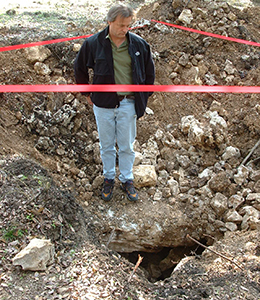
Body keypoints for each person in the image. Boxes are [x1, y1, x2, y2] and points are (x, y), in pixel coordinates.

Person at [74, 4, 155, 202]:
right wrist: (88, 94)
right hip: (103, 104)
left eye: (127, 25)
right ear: (109, 21)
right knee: (107, 145)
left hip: (128, 103)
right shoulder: (93, 44)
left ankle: (127, 179)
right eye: (120, 25)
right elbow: (79, 69)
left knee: (127, 145)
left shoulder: (139, 45)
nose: (124, 29)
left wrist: (143, 96)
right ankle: (109, 177)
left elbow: (149, 73)